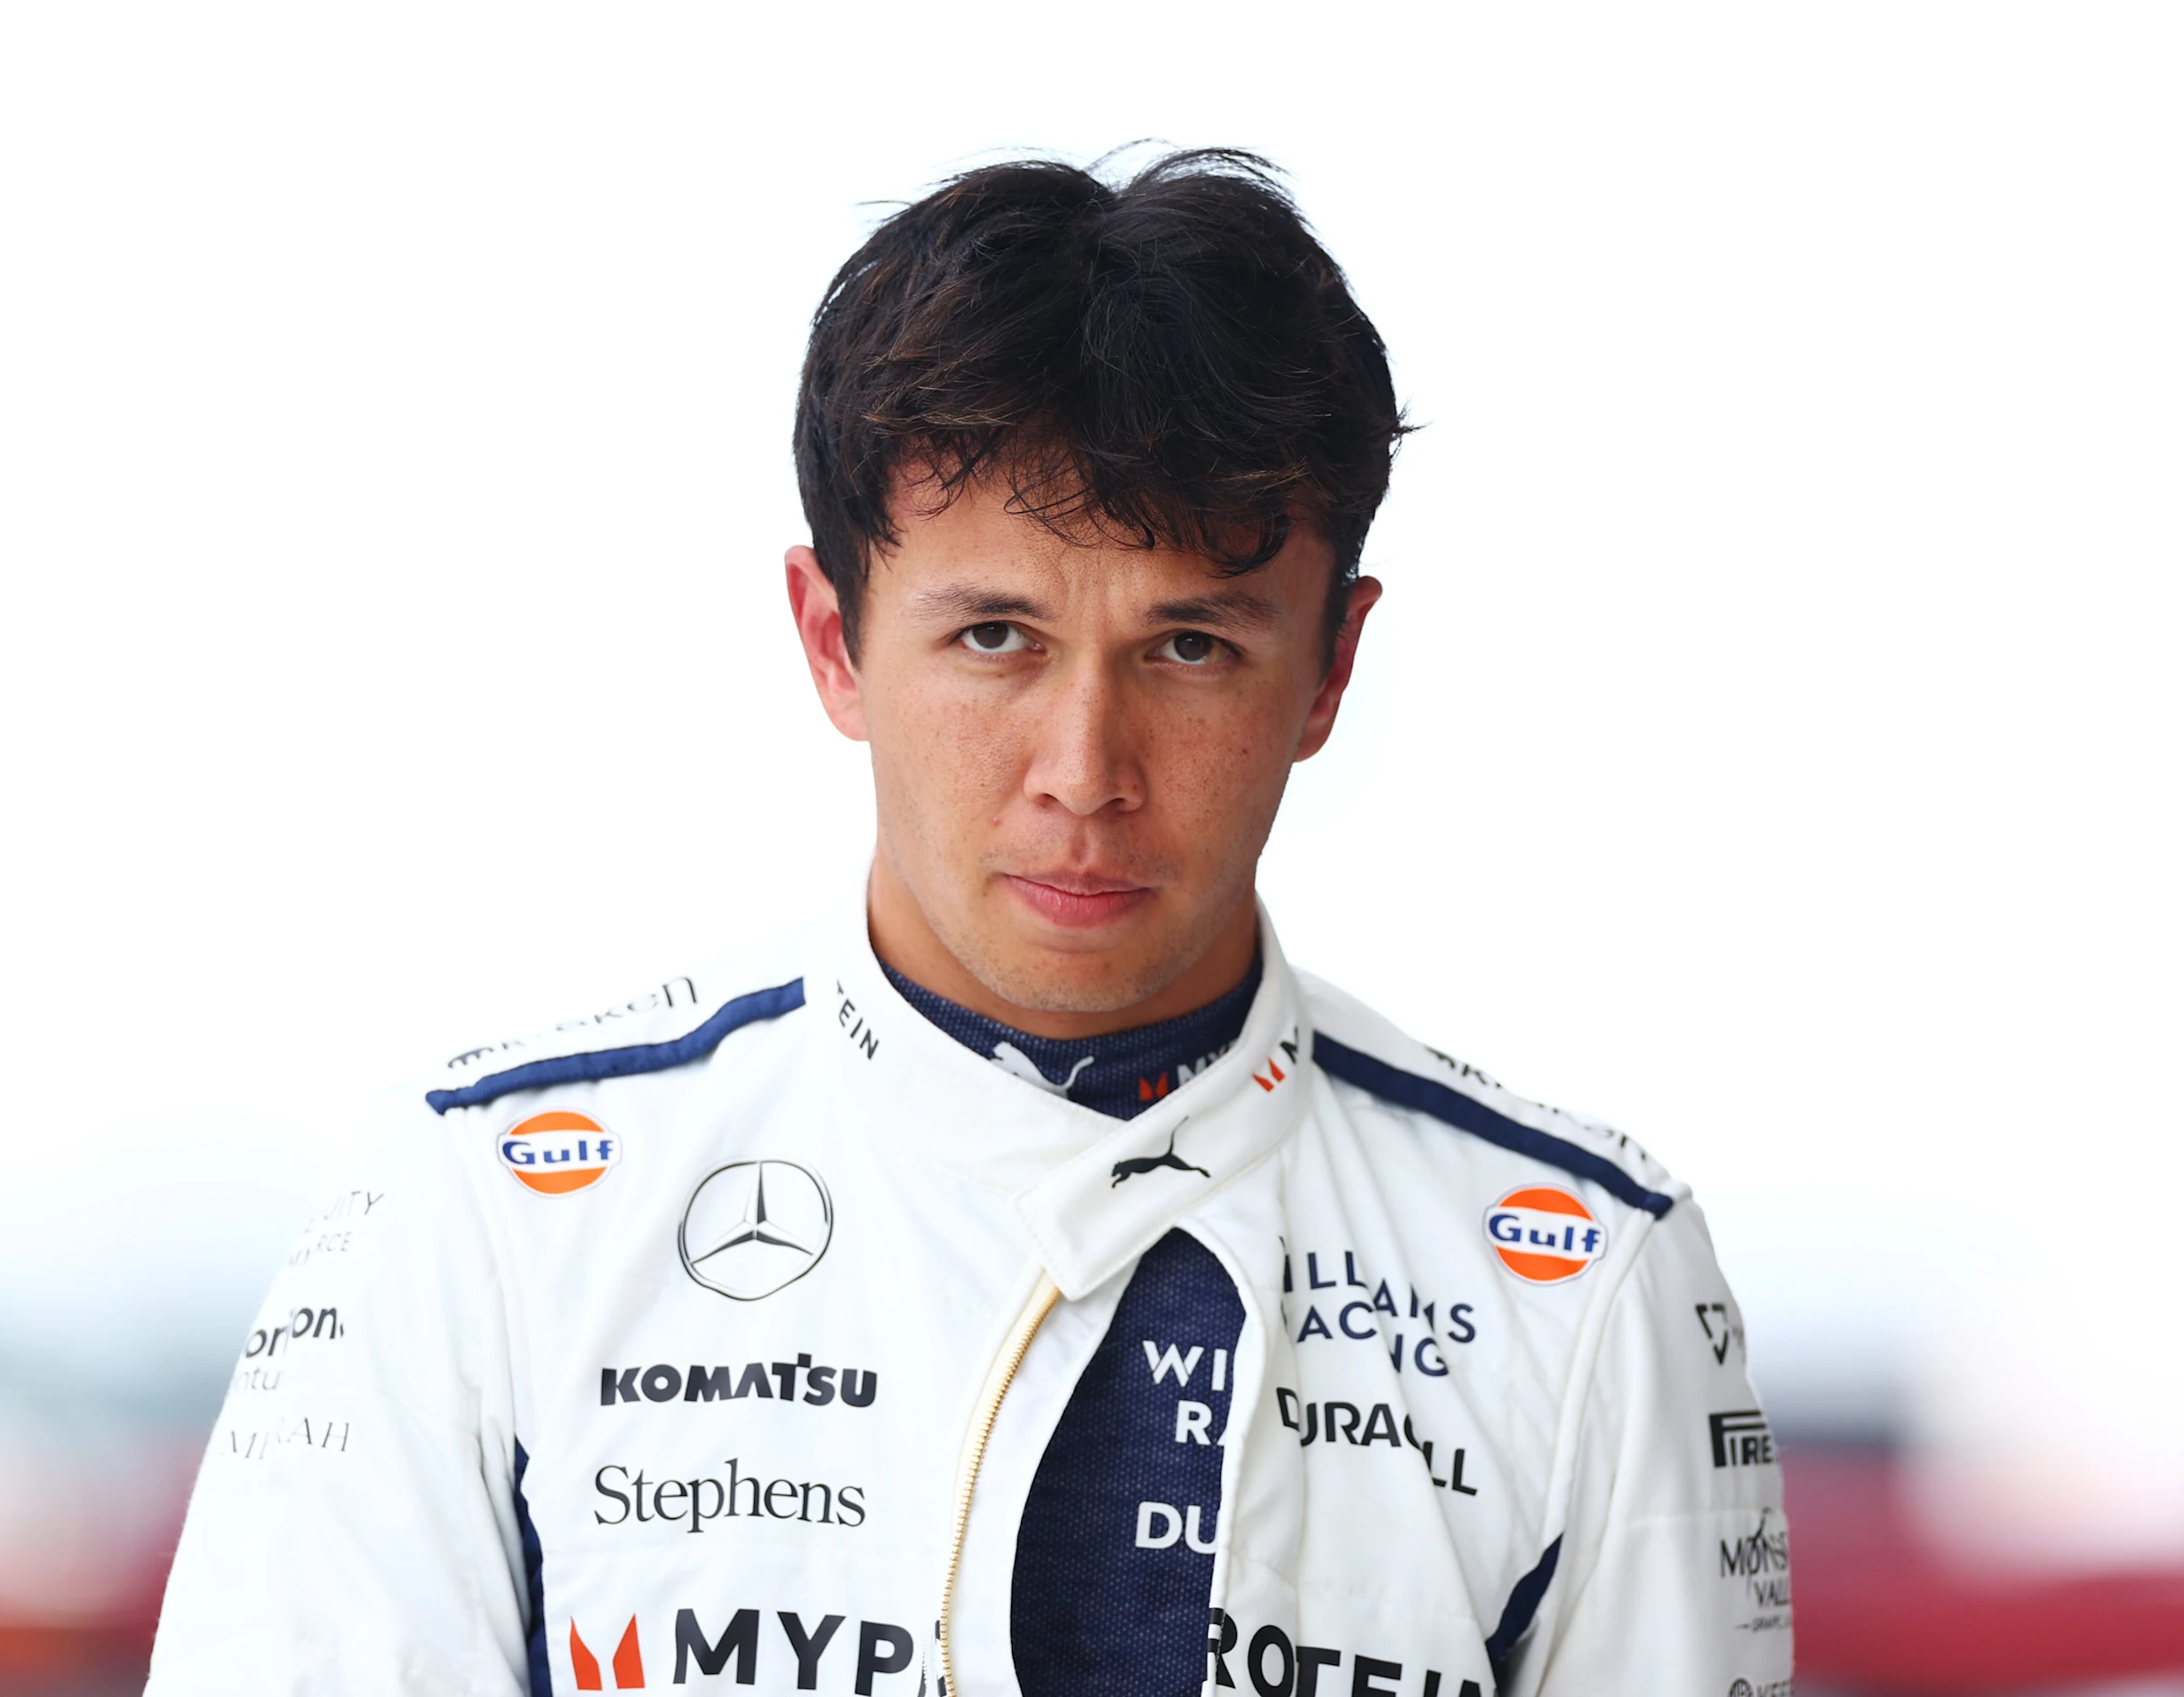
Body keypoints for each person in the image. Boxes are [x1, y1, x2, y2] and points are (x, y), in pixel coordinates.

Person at [145, 149, 1788, 1697]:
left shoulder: (1590, 1282)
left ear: (1329, 670)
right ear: (833, 642)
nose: (1085, 771)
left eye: (1193, 647)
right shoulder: (487, 1212)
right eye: (996, 636)